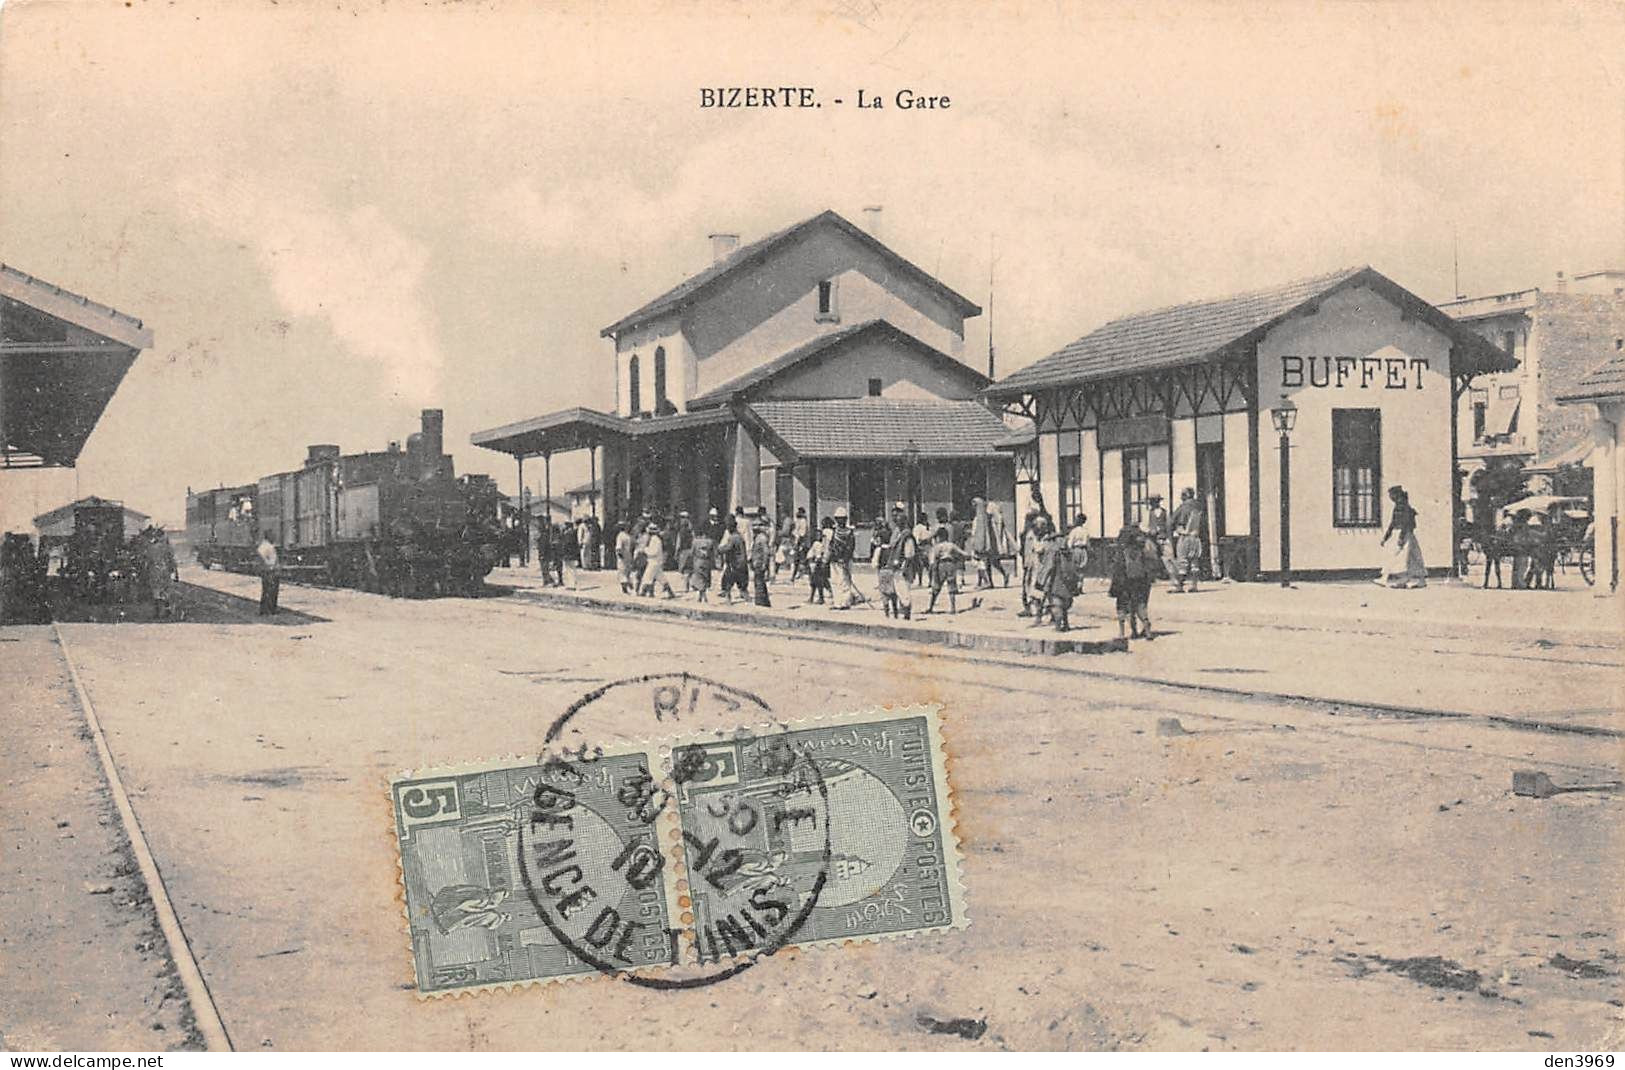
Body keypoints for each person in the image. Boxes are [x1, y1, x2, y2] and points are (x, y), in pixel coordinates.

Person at [1108, 523, 1157, 640]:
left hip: (1125, 583)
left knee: (1123, 607)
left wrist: (1113, 588)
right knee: (1141, 606)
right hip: (1141, 581)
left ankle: (1124, 632)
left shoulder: (1122, 552)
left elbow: (1117, 570)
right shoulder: (1142, 550)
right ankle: (1147, 630)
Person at [1377, 486, 1427, 588]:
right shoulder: (1399, 506)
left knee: (1400, 557)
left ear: (1397, 495)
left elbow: (1405, 523)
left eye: (1392, 495)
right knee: (1412, 557)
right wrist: (1386, 537)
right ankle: (1417, 580)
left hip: (1404, 534)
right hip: (1402, 534)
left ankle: (1395, 579)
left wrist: (1401, 538)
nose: (1390, 497)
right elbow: (1392, 523)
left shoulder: (1402, 507)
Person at [925, 527, 972, 615]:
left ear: (939, 537)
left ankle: (931, 607)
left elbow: (933, 559)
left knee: (936, 587)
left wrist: (932, 569)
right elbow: (961, 553)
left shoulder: (938, 546)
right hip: (951, 565)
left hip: (941, 565)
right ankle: (953, 608)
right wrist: (969, 555)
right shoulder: (951, 545)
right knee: (951, 586)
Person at [1043, 527, 1080, 632]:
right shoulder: (1070, 553)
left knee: (1057, 604)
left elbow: (1049, 567)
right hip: (1068, 583)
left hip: (1057, 581)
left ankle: (1058, 627)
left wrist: (1044, 581)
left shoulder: (1055, 552)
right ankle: (1066, 624)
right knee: (1064, 605)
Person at [1169, 488, 1206, 593]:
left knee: (1182, 562)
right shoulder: (1199, 507)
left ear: (1186, 495)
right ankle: (1194, 585)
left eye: (1182, 495)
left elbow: (1172, 521)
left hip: (1185, 536)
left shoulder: (1183, 507)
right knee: (1195, 562)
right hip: (1196, 537)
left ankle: (1179, 587)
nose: (1181, 497)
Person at [1018, 512, 1052, 618]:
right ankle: (1030, 607)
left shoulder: (1043, 537)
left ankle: (1038, 608)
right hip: (1031, 563)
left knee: (1037, 585)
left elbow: (1039, 549)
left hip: (1039, 564)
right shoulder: (1030, 534)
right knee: (1028, 585)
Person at [829, 506, 861, 609]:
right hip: (834, 560)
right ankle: (837, 602)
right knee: (834, 581)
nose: (840, 521)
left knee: (845, 581)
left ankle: (845, 602)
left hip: (845, 560)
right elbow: (831, 545)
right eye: (838, 518)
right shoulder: (834, 531)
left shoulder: (849, 532)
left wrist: (844, 559)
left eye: (842, 518)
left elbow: (850, 547)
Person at [145, 528, 179, 620]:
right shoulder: (168, 548)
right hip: (164, 571)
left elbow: (148, 561)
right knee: (165, 590)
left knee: (155, 591)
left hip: (154, 571)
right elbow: (172, 561)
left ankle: (157, 611)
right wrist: (175, 573)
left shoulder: (151, 547)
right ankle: (167, 610)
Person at [641, 521, 675, 598]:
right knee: (661, 578)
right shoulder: (655, 539)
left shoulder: (655, 540)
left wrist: (645, 550)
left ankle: (645, 592)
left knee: (647, 577)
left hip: (654, 561)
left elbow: (654, 552)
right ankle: (670, 592)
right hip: (656, 561)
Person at [717, 520, 748, 604]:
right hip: (741, 562)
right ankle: (747, 598)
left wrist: (719, 549)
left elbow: (728, 548)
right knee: (741, 582)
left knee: (729, 581)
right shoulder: (740, 536)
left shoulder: (733, 538)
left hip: (734, 563)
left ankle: (728, 599)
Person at [806, 517, 833, 604]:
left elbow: (826, 545)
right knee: (820, 578)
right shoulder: (830, 533)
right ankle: (817, 596)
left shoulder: (826, 533)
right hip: (823, 557)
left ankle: (819, 597)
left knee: (817, 578)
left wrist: (821, 557)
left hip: (822, 558)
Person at [749, 512, 774, 607]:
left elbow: (766, 551)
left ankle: (761, 601)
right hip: (756, 562)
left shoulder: (762, 538)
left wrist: (764, 564)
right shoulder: (757, 538)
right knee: (758, 582)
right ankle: (762, 600)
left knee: (759, 582)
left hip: (760, 563)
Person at [689, 525, 716, 603]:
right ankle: (702, 596)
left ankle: (702, 596)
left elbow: (692, 552)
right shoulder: (710, 541)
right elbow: (712, 553)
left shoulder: (695, 541)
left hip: (698, 562)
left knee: (699, 579)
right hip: (706, 562)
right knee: (705, 578)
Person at [256, 530, 280, 615]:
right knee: (270, 591)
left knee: (267, 591)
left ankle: (266, 609)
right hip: (270, 571)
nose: (274, 538)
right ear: (269, 536)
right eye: (273, 536)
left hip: (269, 571)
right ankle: (269, 610)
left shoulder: (266, 546)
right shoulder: (265, 546)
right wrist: (271, 566)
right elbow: (264, 559)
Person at [614, 523, 635, 593]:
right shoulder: (627, 536)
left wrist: (619, 554)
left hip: (624, 555)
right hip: (627, 554)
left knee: (623, 571)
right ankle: (628, 584)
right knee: (626, 571)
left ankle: (625, 587)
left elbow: (618, 546)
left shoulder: (621, 536)